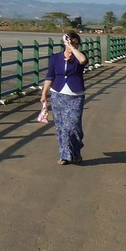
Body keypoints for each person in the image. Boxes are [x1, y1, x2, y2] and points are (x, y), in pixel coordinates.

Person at [40, 31, 88, 165]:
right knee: (61, 127)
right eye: (71, 42)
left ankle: (76, 152)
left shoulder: (80, 57)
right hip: (57, 94)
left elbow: (83, 61)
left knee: (73, 126)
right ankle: (64, 155)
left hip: (75, 96)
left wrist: (72, 48)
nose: (74, 45)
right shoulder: (55, 58)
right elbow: (50, 76)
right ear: (65, 42)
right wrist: (44, 94)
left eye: (76, 43)